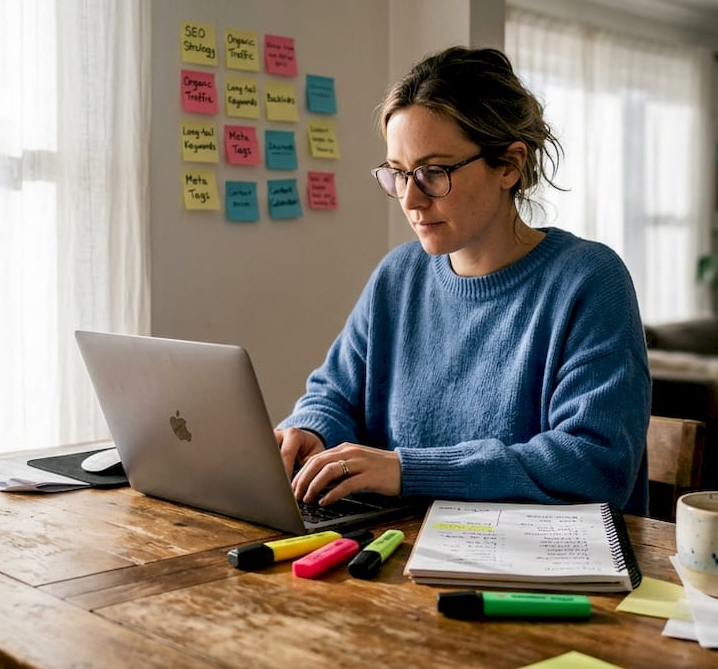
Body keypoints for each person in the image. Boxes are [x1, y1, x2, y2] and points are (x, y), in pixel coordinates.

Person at [274, 46, 651, 515]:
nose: (410, 199)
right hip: (400, 553)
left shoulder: (589, 281)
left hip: (537, 571)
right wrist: (310, 430)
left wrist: (407, 469)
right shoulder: (399, 276)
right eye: (398, 173)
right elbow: (335, 394)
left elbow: (594, 463)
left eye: (434, 172)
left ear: (510, 165)